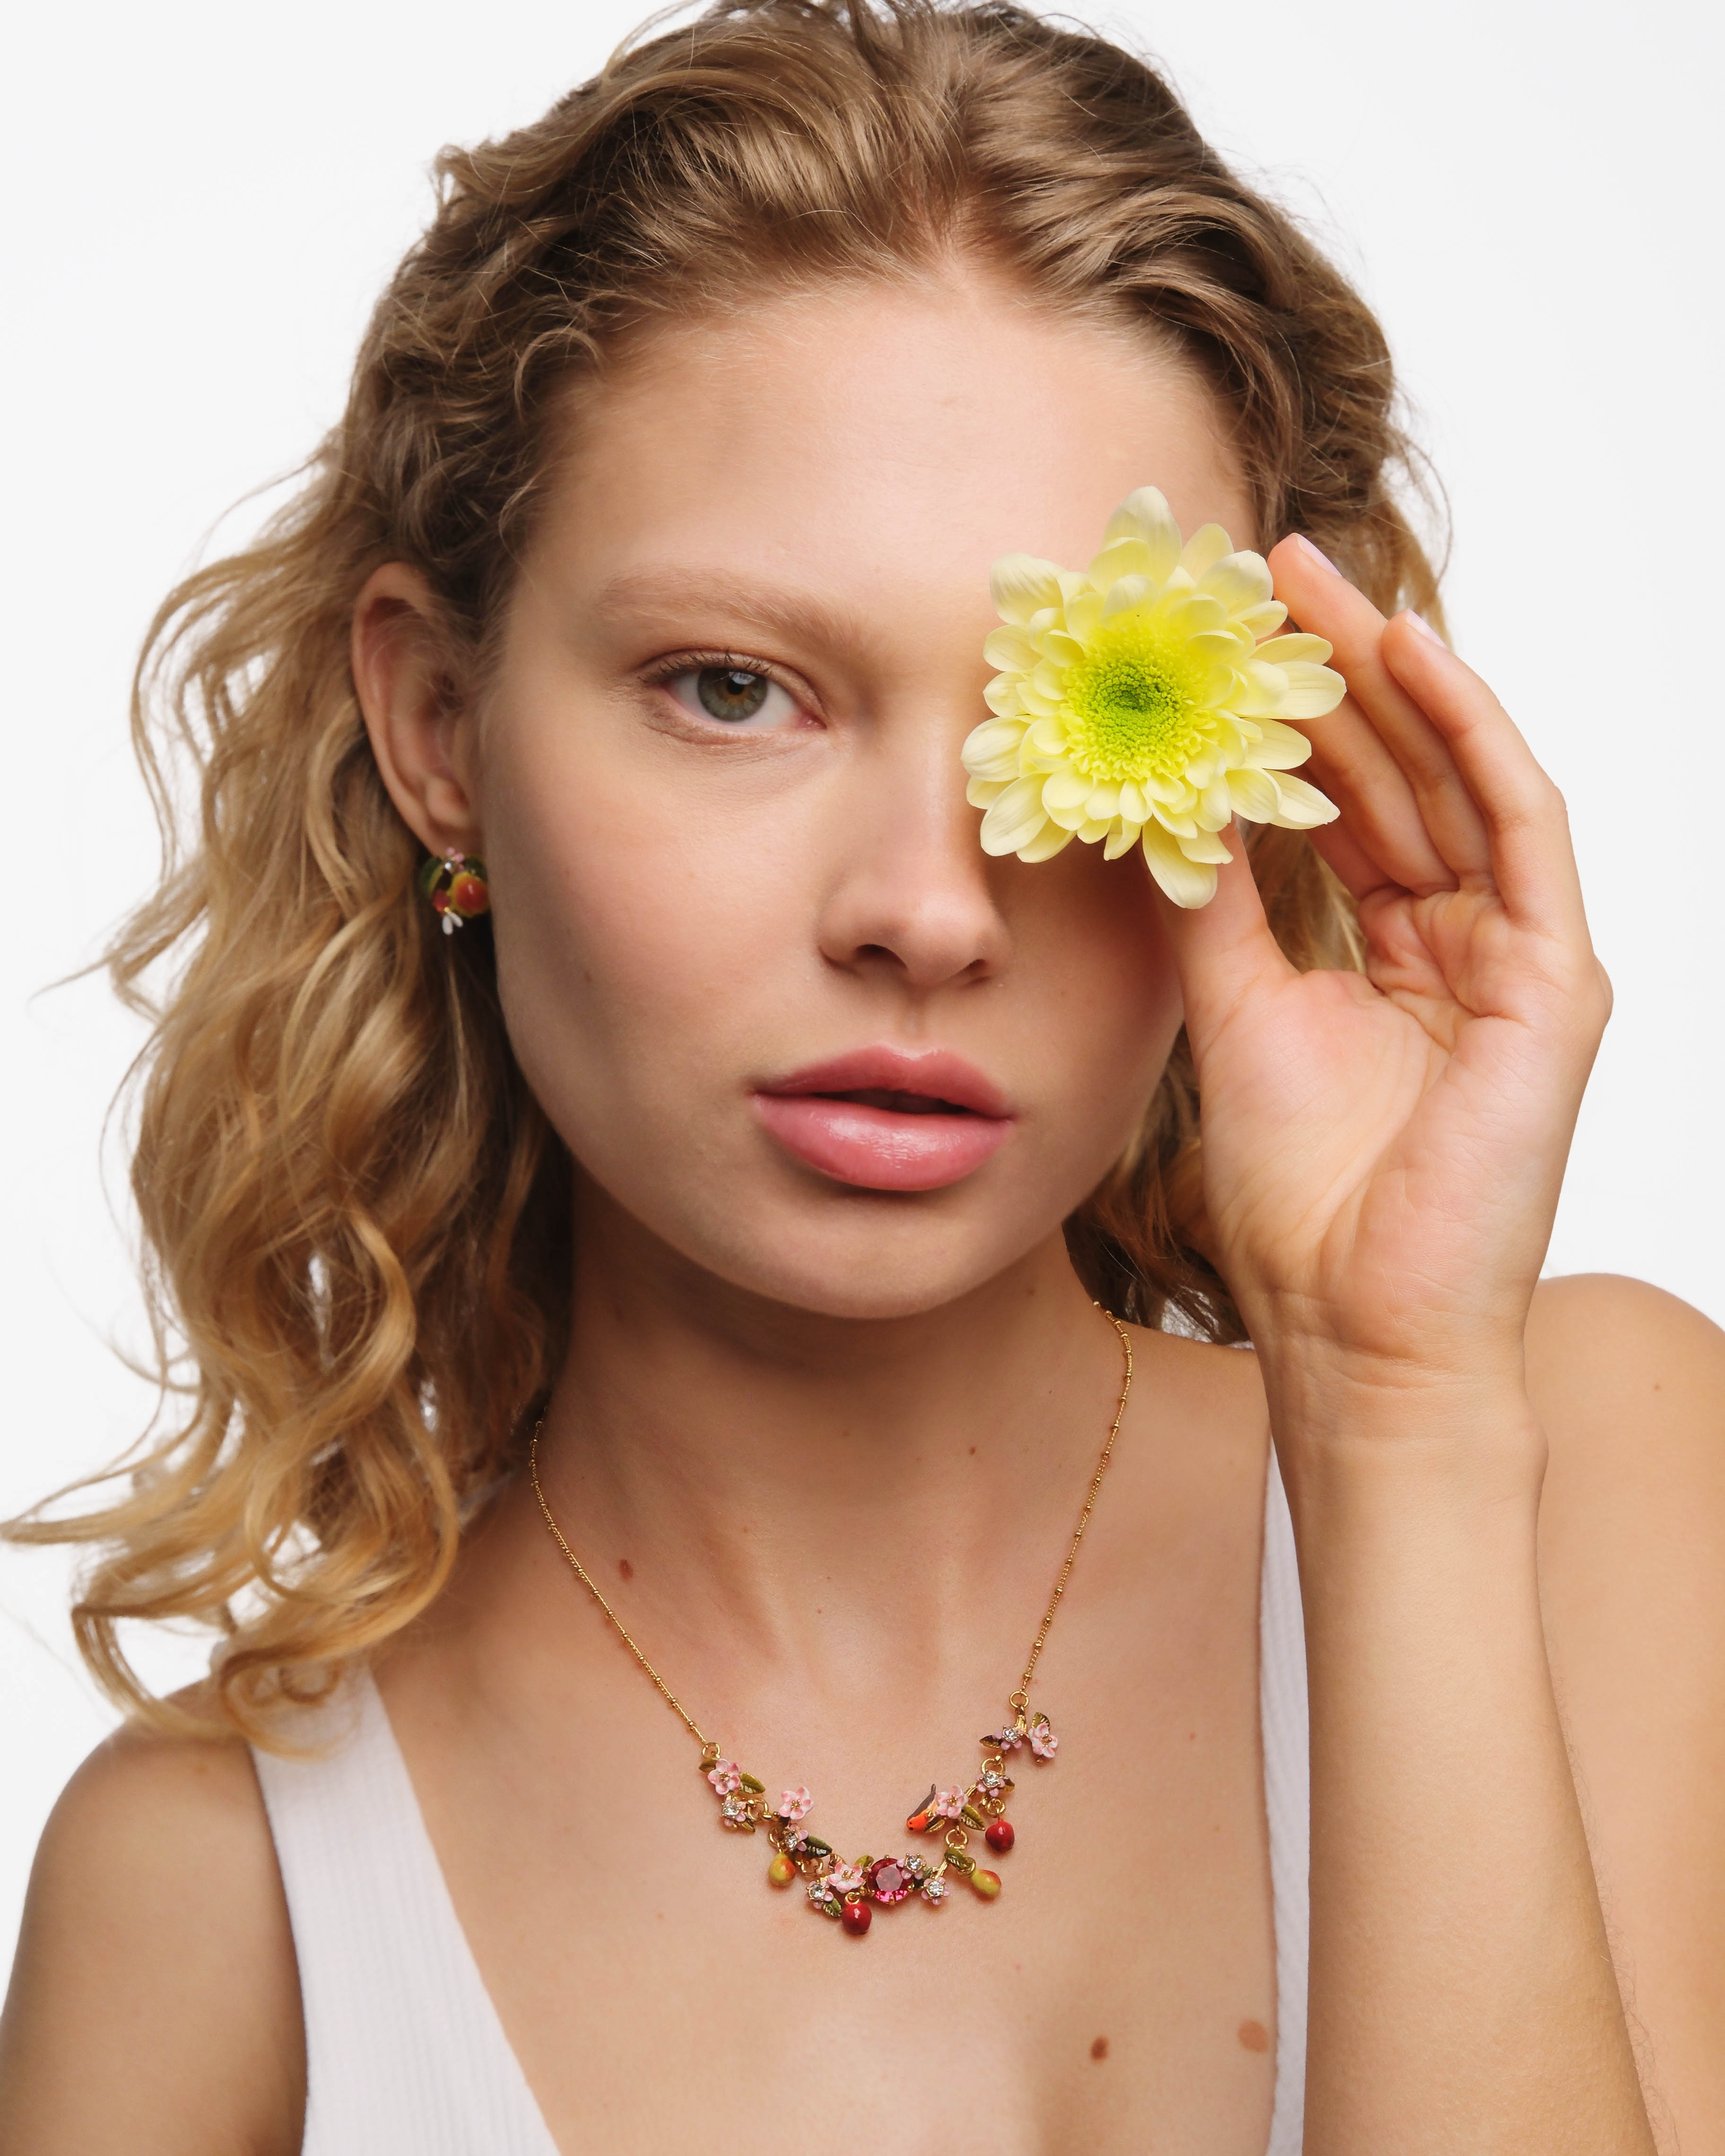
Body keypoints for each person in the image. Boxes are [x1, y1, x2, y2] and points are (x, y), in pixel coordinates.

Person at [1, 2, 1720, 2149]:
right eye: (736, 689)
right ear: (438, 723)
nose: (927, 906)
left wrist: (1396, 1419)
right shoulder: (210, 1898)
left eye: (1080, 705)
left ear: (1261, 759)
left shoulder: (1588, 1474)